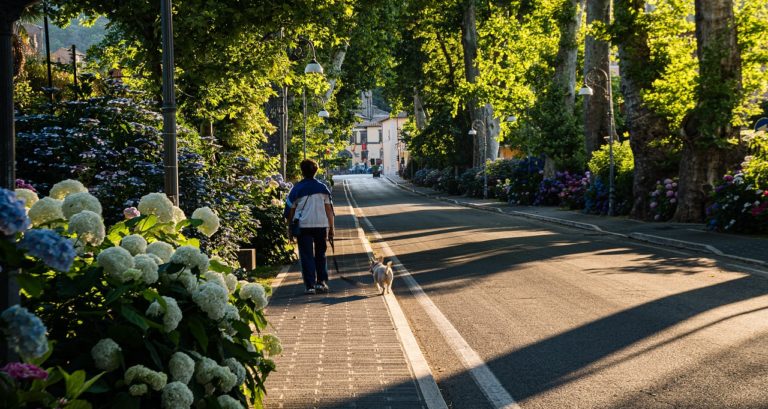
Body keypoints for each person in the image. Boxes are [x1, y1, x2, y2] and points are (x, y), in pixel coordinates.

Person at [285, 159, 335, 294]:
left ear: (302, 172)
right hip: (321, 225)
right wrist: (331, 228)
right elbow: (329, 210)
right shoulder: (323, 188)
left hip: (303, 226)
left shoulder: (297, 189)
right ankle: (321, 282)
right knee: (321, 254)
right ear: (316, 171)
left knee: (306, 256)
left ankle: (310, 285)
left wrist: (289, 228)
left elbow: (291, 210)